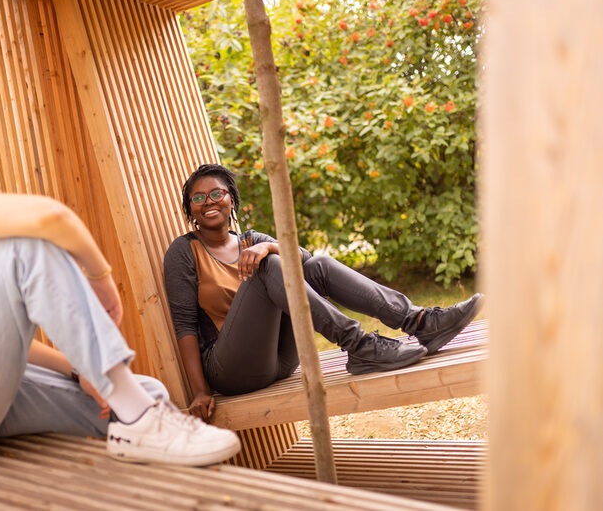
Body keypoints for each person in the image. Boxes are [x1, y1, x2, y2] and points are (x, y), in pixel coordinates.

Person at [0, 90, 239, 466]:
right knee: (25, 247)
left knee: (143, 392)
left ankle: (138, 419)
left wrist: (79, 369)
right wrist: (101, 277)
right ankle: (141, 419)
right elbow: (51, 218)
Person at [164, 164, 483, 421]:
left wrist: (268, 245)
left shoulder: (251, 239)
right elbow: (185, 325)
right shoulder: (184, 253)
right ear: (191, 210)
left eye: (216, 193)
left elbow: (305, 258)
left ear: (231, 199)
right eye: (198, 198)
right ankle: (359, 346)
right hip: (232, 369)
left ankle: (421, 322)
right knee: (272, 266)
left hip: (281, 357)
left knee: (314, 263)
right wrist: (200, 391)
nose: (209, 202)